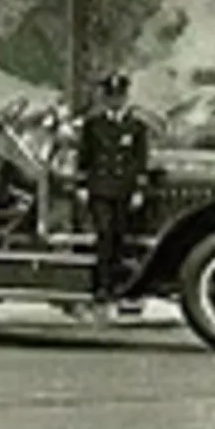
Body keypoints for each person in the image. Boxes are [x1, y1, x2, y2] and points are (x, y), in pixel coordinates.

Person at [77, 71, 151, 301]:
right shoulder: (93, 125)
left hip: (124, 189)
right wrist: (81, 186)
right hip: (99, 188)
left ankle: (119, 285)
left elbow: (140, 160)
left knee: (120, 236)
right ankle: (102, 286)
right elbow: (84, 157)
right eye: (111, 96)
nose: (115, 101)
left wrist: (138, 190)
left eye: (119, 96)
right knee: (104, 234)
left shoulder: (136, 127)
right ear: (105, 98)